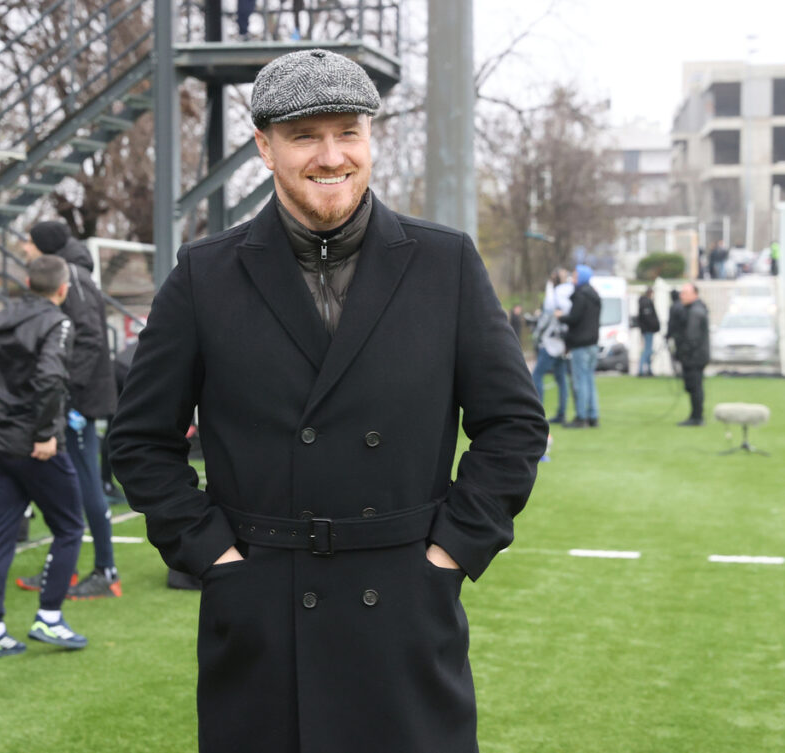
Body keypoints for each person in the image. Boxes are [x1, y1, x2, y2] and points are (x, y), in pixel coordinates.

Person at [109, 48, 548, 753]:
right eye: (304, 135)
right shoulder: (205, 275)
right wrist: (214, 559)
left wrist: (450, 554)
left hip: (404, 612)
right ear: (264, 146)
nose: (331, 154)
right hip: (261, 616)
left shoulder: (445, 263)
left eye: (348, 131)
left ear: (372, 139)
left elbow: (514, 425)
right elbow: (138, 440)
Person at [0, 255, 87, 658]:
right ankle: (49, 618)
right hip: (37, 447)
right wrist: (45, 432)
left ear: (28, 282)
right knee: (69, 528)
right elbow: (49, 377)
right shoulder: (58, 322)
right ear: (62, 290)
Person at [16, 221, 121, 599]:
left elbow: (91, 337)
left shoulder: (72, 277)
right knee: (68, 480)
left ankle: (106, 572)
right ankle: (65, 569)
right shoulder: (72, 272)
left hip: (79, 398)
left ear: (43, 247)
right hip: (72, 394)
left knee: (84, 481)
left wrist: (67, 390)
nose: (24, 248)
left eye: (28, 242)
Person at [556, 264, 601, 428]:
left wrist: (561, 316)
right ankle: (593, 415)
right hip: (593, 344)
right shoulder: (594, 295)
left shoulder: (580, 295)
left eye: (575, 276)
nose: (572, 279)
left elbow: (574, 318)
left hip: (580, 344)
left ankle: (581, 417)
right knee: (589, 380)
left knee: (580, 381)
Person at [531, 267, 573, 422]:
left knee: (536, 376)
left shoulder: (558, 294)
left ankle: (537, 414)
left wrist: (537, 332)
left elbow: (549, 311)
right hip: (562, 345)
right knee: (561, 380)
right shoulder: (570, 293)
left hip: (551, 343)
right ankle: (562, 414)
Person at [674, 283, 710, 427]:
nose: (681, 296)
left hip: (694, 357)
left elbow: (692, 337)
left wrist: (682, 352)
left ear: (694, 294)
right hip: (696, 356)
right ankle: (695, 415)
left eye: (685, 293)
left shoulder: (695, 312)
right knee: (695, 386)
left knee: (695, 387)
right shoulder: (694, 309)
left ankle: (697, 417)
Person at [634, 285, 660, 377]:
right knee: (647, 350)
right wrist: (655, 326)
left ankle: (648, 369)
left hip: (646, 329)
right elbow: (649, 318)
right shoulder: (646, 302)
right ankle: (642, 369)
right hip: (648, 329)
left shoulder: (643, 302)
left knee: (648, 350)